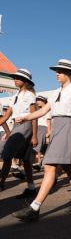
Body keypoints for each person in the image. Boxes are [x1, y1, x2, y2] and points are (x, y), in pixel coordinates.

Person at [12, 59, 71, 221]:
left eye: (61, 71)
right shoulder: (56, 92)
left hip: (69, 126)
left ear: (70, 74)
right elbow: (43, 111)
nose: (57, 73)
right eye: (56, 70)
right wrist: (26, 117)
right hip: (58, 126)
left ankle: (34, 208)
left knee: (50, 166)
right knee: (67, 166)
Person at [0, 68, 36, 198]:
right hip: (16, 125)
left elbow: (34, 116)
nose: (15, 80)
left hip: (26, 126)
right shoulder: (15, 96)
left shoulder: (30, 95)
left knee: (7, 154)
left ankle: (1, 183)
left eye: (18, 78)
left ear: (25, 81)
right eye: (14, 78)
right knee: (25, 160)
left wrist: (35, 136)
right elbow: (6, 116)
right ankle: (31, 188)